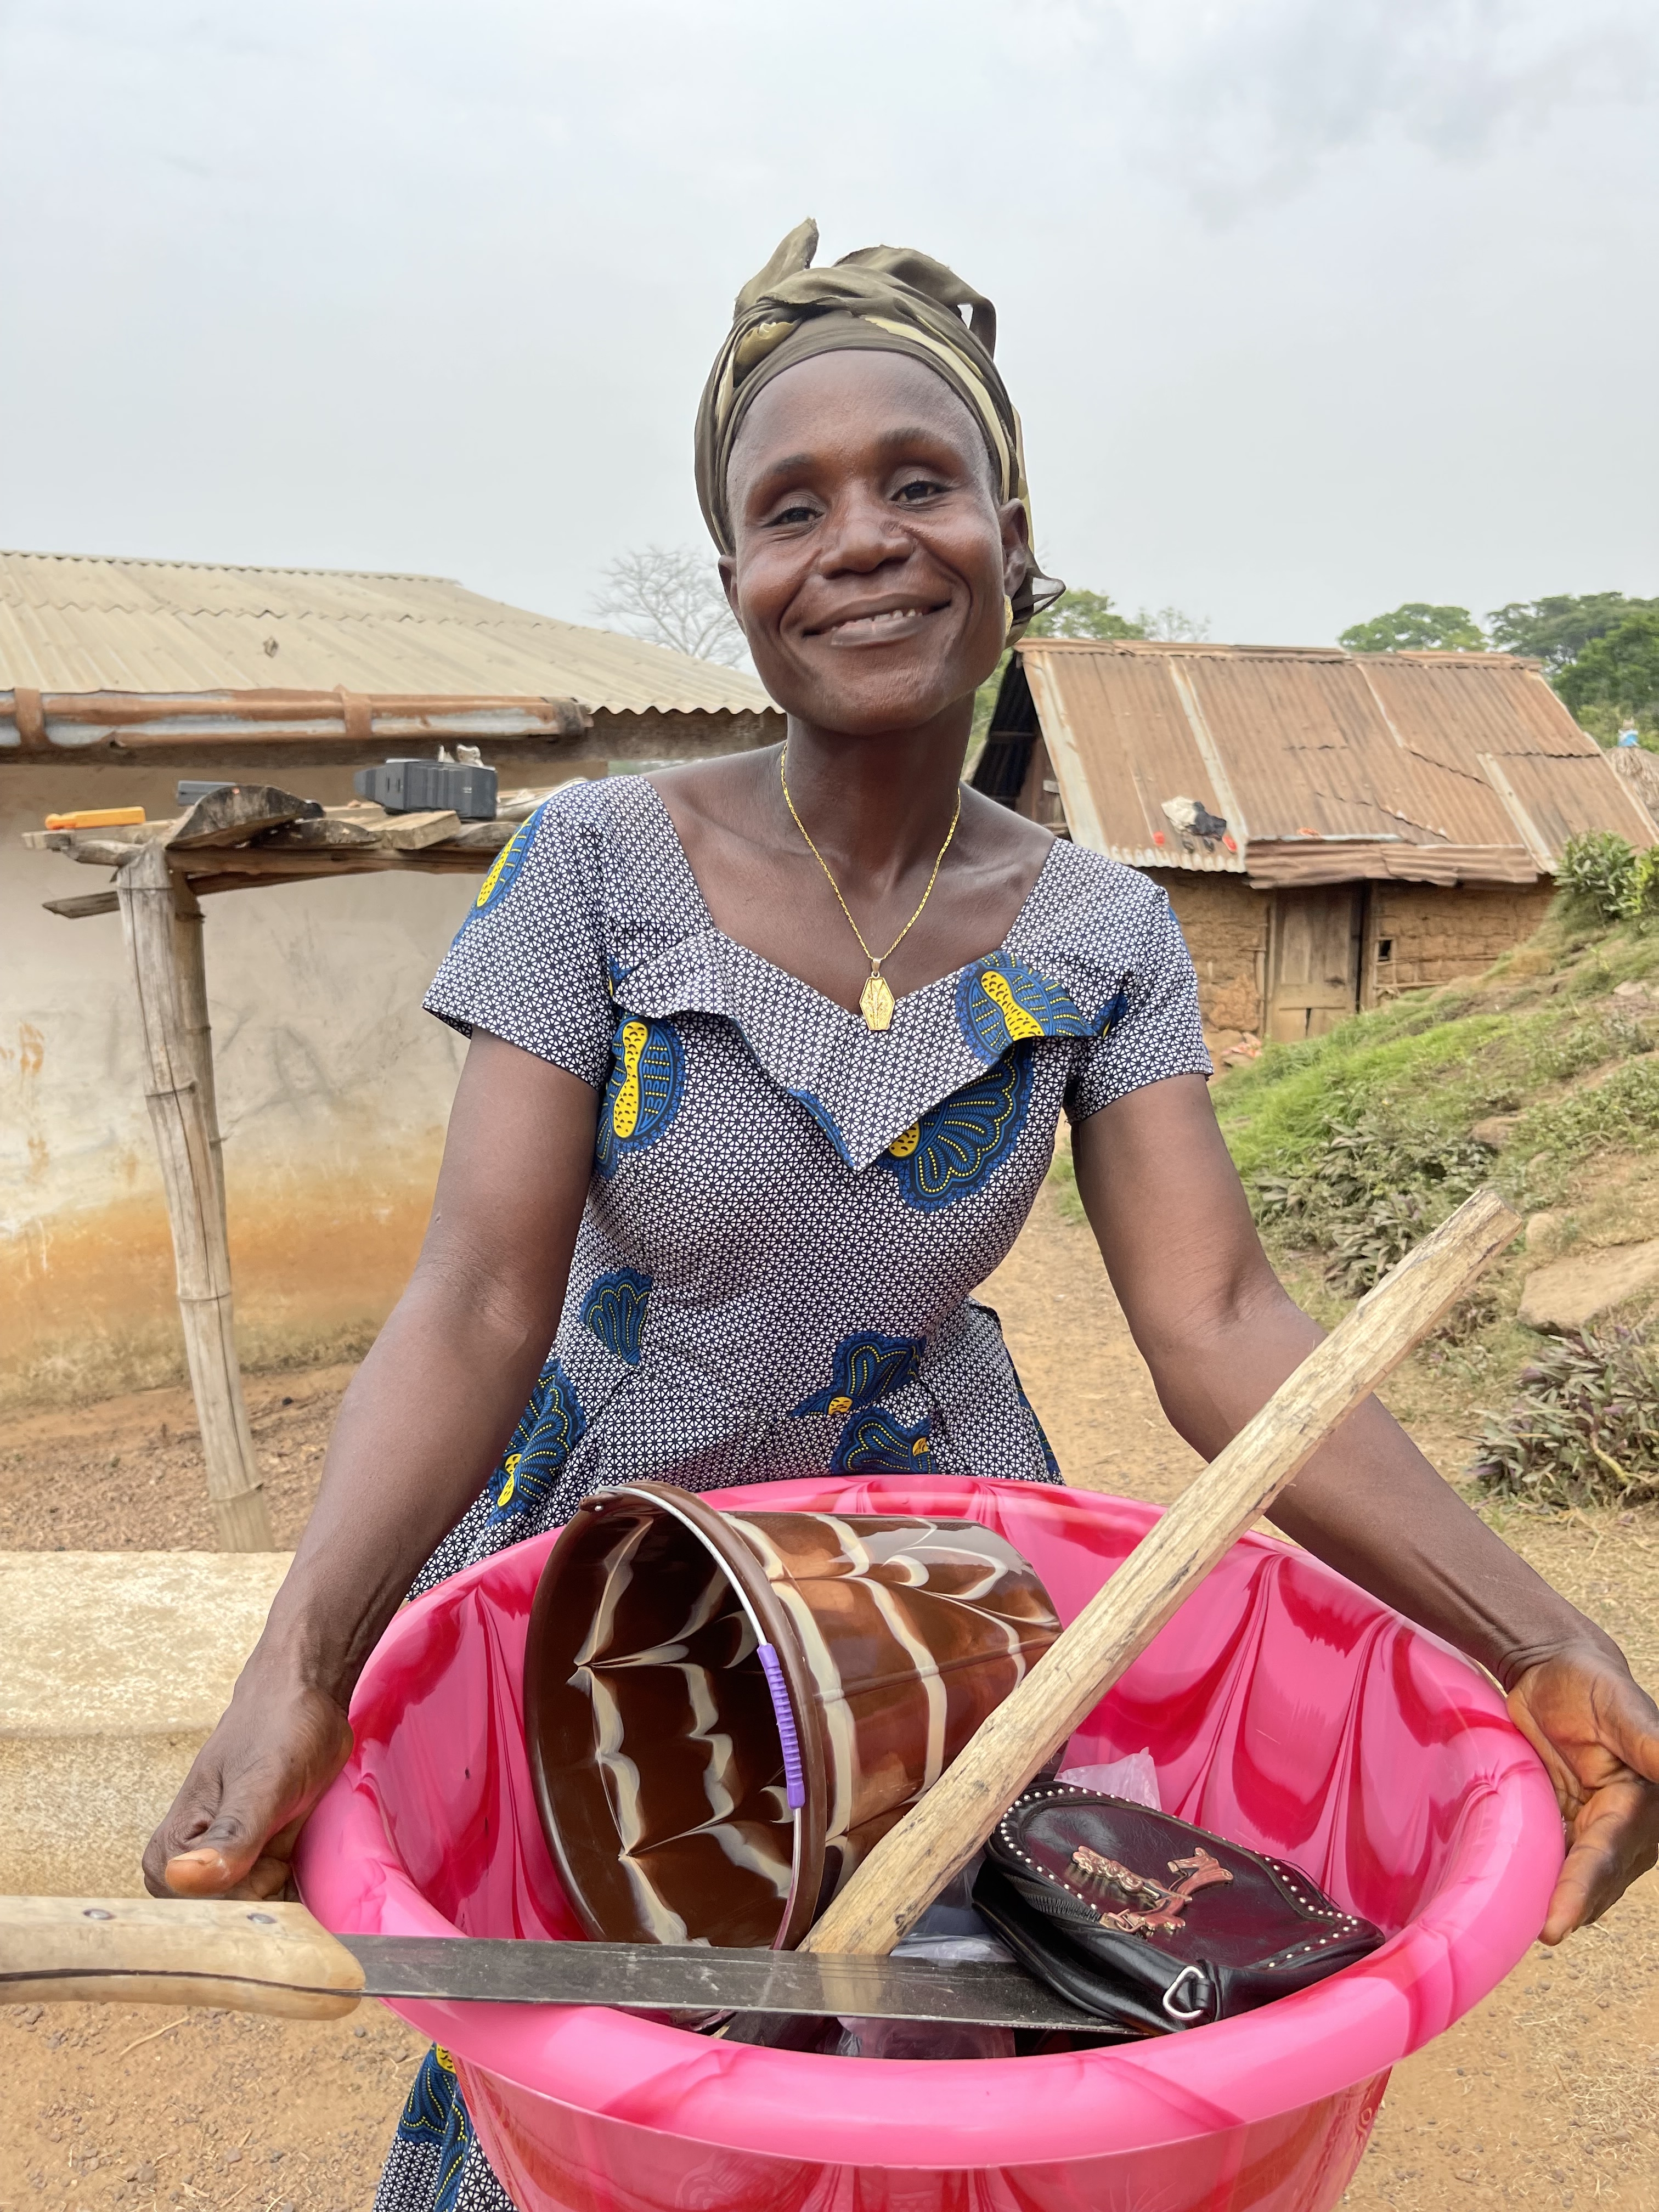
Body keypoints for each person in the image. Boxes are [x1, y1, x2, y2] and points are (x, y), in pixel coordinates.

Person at [145, 223, 1659, 2212]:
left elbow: (1218, 1322)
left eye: (918, 485)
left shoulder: (1106, 930)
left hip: (944, 1628)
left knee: (929, 2077)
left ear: (1014, 537)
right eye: (795, 508)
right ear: (737, 587)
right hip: (623, 1604)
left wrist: (1544, 1633)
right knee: (634, 2103)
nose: (861, 539)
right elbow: (480, 1298)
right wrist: (304, 1660)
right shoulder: (594, 865)